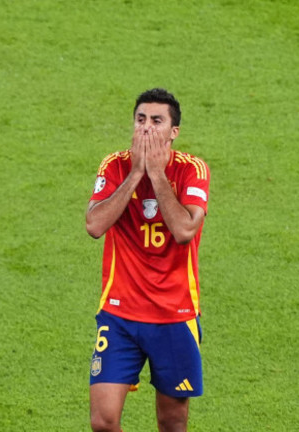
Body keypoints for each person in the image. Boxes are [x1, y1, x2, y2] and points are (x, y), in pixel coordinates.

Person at [86, 88, 211, 432]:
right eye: (141, 119)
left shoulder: (191, 170)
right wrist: (135, 175)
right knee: (103, 422)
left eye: (157, 121)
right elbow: (95, 225)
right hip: (120, 314)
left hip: (174, 315)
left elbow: (185, 229)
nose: (146, 128)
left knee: (172, 423)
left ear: (174, 132)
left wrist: (156, 174)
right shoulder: (115, 166)